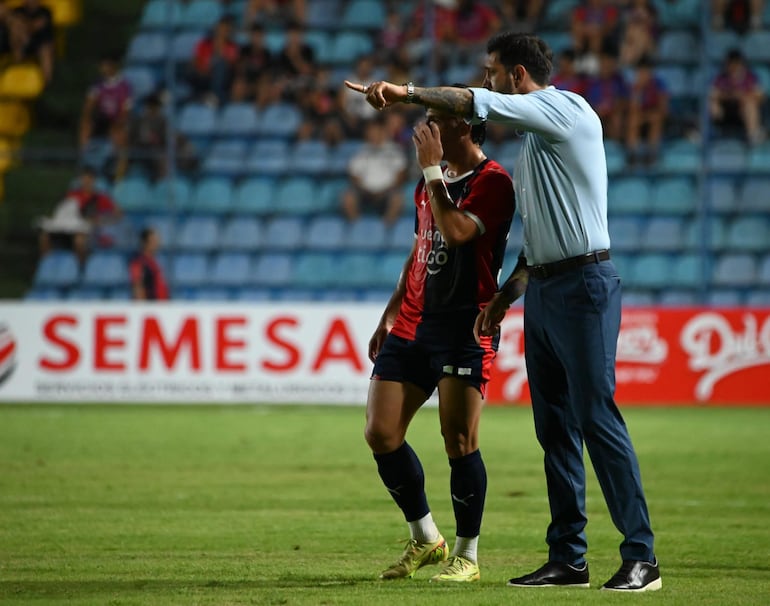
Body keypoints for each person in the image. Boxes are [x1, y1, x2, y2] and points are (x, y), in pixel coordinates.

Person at [345, 30, 661, 592]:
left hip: (585, 284)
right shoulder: (536, 144)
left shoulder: (567, 110)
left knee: (596, 417)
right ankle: (570, 558)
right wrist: (507, 293)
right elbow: (541, 240)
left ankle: (642, 556)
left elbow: (471, 103)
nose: (485, 82)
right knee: (556, 428)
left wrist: (406, 91)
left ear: (516, 75)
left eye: (491, 71)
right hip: (542, 286)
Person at [362, 93, 515, 583]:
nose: (423, 132)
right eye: (424, 123)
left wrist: (430, 171)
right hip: (413, 323)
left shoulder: (494, 183)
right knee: (381, 432)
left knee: (459, 441)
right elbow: (422, 248)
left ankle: (467, 555)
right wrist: (389, 314)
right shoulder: (429, 184)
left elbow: (454, 233)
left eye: (435, 123)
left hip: (464, 327)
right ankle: (427, 538)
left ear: (465, 128)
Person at [38, 167, 122, 264]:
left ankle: (81, 267)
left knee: (79, 241)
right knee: (44, 237)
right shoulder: (71, 194)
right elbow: (60, 211)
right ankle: (46, 265)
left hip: (86, 230)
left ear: (94, 180)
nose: (86, 182)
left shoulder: (100, 197)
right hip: (65, 228)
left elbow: (118, 214)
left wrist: (100, 221)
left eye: (89, 179)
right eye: (84, 179)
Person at [340, 117, 408, 225]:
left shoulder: (394, 151)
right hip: (365, 191)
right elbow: (354, 174)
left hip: (387, 191)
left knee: (397, 199)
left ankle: (386, 229)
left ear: (382, 132)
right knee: (348, 197)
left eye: (375, 132)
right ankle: (357, 227)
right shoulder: (362, 151)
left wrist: (385, 190)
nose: (372, 135)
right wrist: (363, 188)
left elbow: (400, 175)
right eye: (370, 132)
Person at [78, 52, 133, 178]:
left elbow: (126, 110)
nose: (102, 69)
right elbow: (89, 105)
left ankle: (119, 174)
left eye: (105, 66)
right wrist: (86, 119)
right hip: (102, 118)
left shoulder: (124, 86)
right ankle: (84, 166)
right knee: (85, 126)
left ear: (113, 66)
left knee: (121, 135)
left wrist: (118, 123)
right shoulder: (98, 84)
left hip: (117, 120)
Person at [709, 48, 766, 145]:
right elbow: (712, 94)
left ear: (741, 64)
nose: (733, 67)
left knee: (749, 104)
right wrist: (729, 95)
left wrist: (742, 96)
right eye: (730, 64)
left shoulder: (750, 77)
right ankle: (709, 133)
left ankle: (753, 136)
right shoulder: (722, 78)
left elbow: (760, 95)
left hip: (742, 113)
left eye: (736, 64)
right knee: (711, 103)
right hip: (726, 111)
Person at [625, 56, 668, 166]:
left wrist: (648, 116)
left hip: (655, 119)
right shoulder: (635, 87)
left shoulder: (659, 85)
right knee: (633, 120)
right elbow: (633, 109)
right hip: (641, 119)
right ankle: (632, 156)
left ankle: (652, 155)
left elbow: (663, 110)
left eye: (645, 71)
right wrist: (638, 91)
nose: (643, 74)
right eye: (640, 71)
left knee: (655, 119)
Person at [129, 227, 169, 300]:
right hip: (150, 307)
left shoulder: (154, 262)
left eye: (157, 240)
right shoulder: (139, 263)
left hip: (161, 307)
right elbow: (137, 286)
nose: (157, 244)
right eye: (153, 241)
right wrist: (143, 308)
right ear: (144, 243)